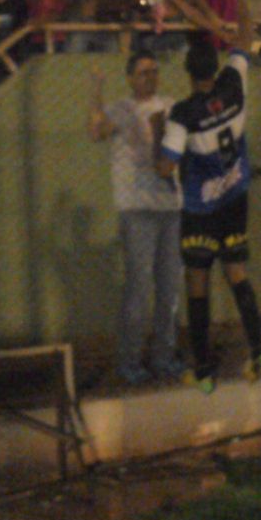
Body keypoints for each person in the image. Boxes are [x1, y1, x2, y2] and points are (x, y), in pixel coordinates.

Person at [155, 38, 261, 393]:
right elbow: (243, 41)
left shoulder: (183, 113)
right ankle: (260, 354)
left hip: (201, 209)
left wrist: (157, 132)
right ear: (216, 67)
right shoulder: (233, 84)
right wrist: (233, 0)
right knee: (238, 274)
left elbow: (165, 167)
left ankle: (204, 372)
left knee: (198, 283)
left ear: (188, 74)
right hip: (235, 199)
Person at [89, 55, 184, 385]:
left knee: (169, 289)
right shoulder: (121, 109)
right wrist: (96, 90)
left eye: (154, 71)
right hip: (137, 208)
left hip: (170, 207)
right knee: (139, 288)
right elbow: (96, 131)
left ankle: (164, 356)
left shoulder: (170, 106)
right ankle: (129, 360)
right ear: (130, 78)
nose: (150, 77)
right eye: (143, 73)